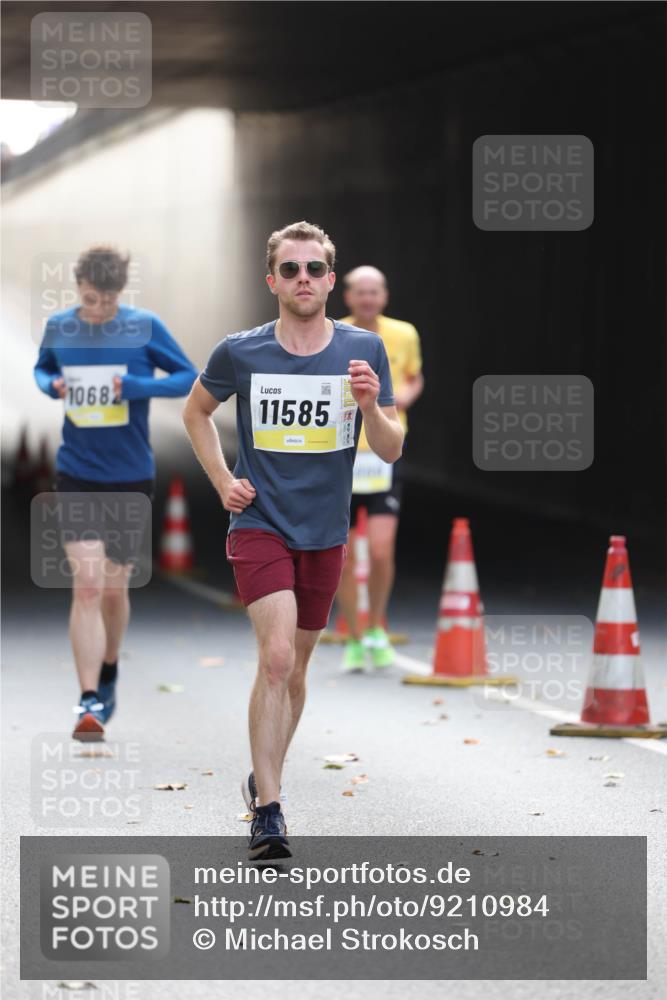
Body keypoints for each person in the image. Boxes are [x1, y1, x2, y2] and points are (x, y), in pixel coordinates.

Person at [183, 221, 403, 860]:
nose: (302, 279)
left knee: (299, 667)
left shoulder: (363, 350)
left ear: (330, 280)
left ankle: (264, 773)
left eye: (313, 269)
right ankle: (270, 812)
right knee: (275, 657)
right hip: (260, 523)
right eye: (290, 270)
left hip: (325, 530)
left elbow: (389, 450)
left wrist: (370, 406)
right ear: (271, 279)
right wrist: (225, 479)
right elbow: (195, 412)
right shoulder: (241, 351)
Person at [34, 245, 197, 741]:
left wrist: (136, 387)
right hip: (77, 472)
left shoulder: (144, 326)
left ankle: (109, 670)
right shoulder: (61, 326)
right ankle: (87, 700)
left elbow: (189, 378)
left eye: (108, 300)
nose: (99, 308)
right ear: (78, 286)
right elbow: (42, 369)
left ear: (120, 292)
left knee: (113, 590)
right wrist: (53, 384)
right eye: (90, 299)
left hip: (129, 475)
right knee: (85, 585)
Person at [336, 266, 424, 672]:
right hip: (345, 451)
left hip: (386, 451)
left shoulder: (404, 333)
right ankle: (354, 636)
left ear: (384, 296)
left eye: (375, 291)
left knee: (382, 549)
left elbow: (413, 376)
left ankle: (376, 629)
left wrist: (401, 397)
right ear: (348, 296)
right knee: (348, 555)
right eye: (361, 292)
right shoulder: (335, 332)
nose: (368, 298)